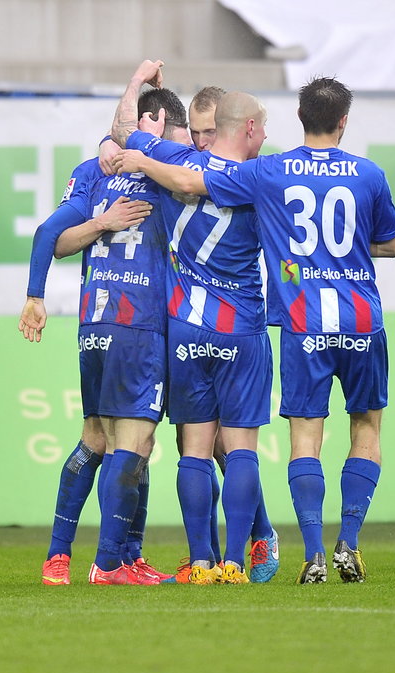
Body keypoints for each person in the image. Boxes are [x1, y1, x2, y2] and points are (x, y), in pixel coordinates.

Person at [122, 78, 395, 583]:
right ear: (343, 121)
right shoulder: (370, 174)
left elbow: (181, 178)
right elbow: (390, 243)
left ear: (300, 118)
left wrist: (139, 148)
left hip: (286, 325)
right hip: (354, 319)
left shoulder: (267, 173)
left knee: (288, 441)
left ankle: (304, 553)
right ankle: (345, 544)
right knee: (364, 428)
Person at [19, 61, 175, 585]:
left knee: (98, 439)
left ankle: (70, 555)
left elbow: (53, 238)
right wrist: (104, 222)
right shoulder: (164, 173)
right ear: (156, 125)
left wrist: (36, 294)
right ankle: (110, 561)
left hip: (95, 326)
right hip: (138, 323)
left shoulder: (96, 170)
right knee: (134, 440)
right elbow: (55, 239)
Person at [113, 89, 278, 584]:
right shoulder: (261, 176)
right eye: (263, 127)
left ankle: (201, 562)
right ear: (249, 129)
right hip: (243, 330)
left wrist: (134, 101)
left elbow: (124, 131)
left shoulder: (172, 157)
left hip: (186, 329)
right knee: (242, 449)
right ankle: (233, 561)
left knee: (196, 449)